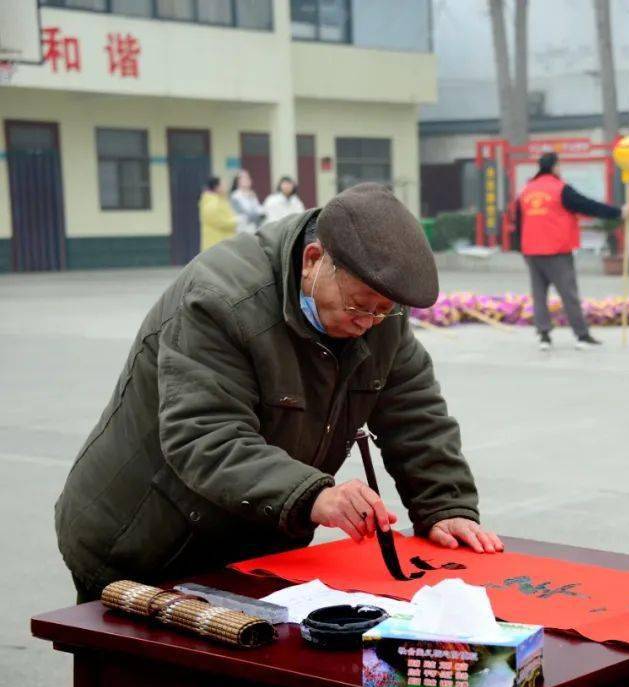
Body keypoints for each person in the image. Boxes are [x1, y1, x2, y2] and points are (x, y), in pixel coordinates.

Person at [56, 183, 504, 603]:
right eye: (358, 305)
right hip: (146, 543)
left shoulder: (378, 310)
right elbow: (205, 436)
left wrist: (446, 506)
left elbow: (415, 414)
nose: (369, 321)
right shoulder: (221, 300)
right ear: (313, 260)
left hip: (255, 550)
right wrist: (314, 496)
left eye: (384, 311)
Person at [514, 152, 629, 351]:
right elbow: (587, 206)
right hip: (557, 251)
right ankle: (581, 335)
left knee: (539, 295)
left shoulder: (526, 191)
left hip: (531, 251)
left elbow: (517, 222)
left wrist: (521, 248)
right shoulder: (560, 189)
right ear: (554, 167)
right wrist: (618, 212)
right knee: (569, 294)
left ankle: (544, 337)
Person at [198, 176, 237, 252]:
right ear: (217, 187)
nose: (226, 187)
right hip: (215, 244)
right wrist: (237, 222)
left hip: (223, 244)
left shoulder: (221, 200)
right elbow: (220, 222)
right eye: (223, 185)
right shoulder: (212, 203)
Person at [230, 168, 265, 234]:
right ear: (238, 181)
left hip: (255, 227)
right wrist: (257, 215)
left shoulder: (252, 194)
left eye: (248, 178)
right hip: (242, 228)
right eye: (243, 179)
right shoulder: (235, 196)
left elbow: (258, 208)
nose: (247, 180)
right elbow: (242, 213)